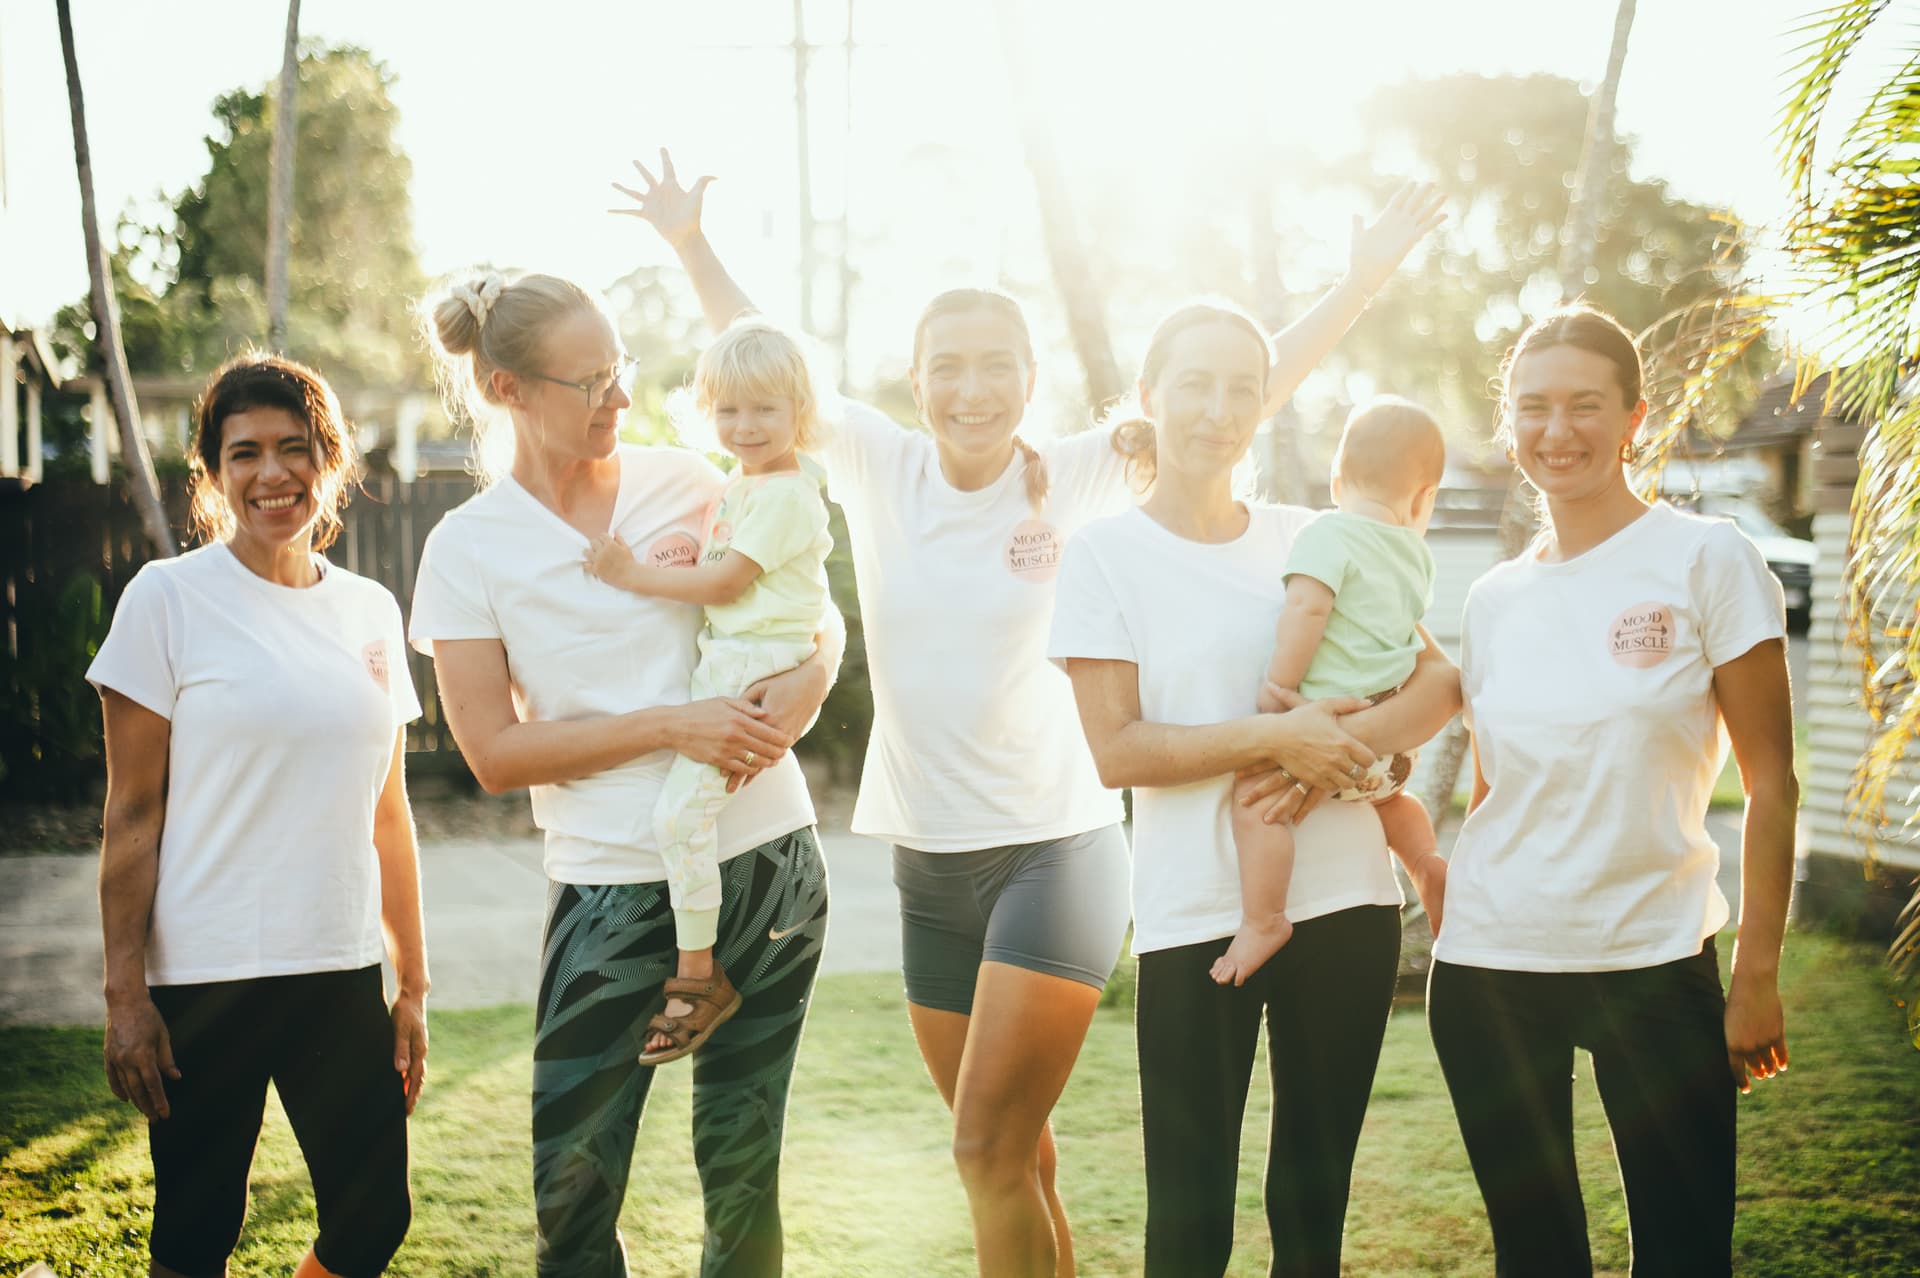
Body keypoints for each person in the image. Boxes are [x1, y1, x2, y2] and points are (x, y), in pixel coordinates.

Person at [617, 148, 1445, 1278]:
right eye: (948, 368)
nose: (973, 390)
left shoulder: (1076, 473)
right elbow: (766, 356)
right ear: (916, 383)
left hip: (1057, 852)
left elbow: (1239, 391)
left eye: (997, 367)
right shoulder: (880, 468)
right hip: (928, 860)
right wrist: (690, 244)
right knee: (1023, 1161)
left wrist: (1359, 282)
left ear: (1032, 379)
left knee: (981, 1150)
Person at [412, 271, 843, 1274]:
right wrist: (670, 726)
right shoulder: (468, 549)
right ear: (510, 389)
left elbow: (806, 606)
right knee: (572, 1193)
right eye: (593, 380)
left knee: (742, 1177)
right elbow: (492, 753)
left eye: (623, 369)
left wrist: (815, 678)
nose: (622, 396)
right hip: (609, 885)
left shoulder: (690, 480)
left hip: (767, 864)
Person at [1049, 300, 1462, 1278]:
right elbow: (1118, 751)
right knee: (1187, 1227)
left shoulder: (1318, 532)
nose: (1219, 408)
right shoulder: (1104, 555)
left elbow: (1438, 684)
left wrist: (1341, 755)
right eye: (1195, 383)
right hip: (1196, 917)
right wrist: (1280, 738)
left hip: (1347, 905)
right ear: (1150, 396)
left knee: (1312, 1218)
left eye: (1243, 387)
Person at [1426, 306, 1795, 1276]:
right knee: (1537, 1260)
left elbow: (1772, 781)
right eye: (1534, 407)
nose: (1558, 431)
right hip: (1492, 965)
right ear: (1509, 422)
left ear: (1635, 417)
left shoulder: (1708, 558)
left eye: (1585, 405)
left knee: (1686, 1256)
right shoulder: (1493, 598)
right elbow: (1498, 783)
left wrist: (1756, 974)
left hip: (1655, 955)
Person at [87, 353, 427, 1278]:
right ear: (212, 472)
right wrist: (125, 995)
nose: (272, 473)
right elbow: (132, 812)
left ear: (331, 460)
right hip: (208, 972)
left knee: (374, 1218)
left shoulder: (369, 609)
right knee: (196, 1233)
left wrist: (413, 985)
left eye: (293, 447)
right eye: (244, 453)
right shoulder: (166, 599)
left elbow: (388, 813)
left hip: (338, 967)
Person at [582, 316, 834, 1065]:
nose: (745, 425)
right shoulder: (744, 485)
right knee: (685, 814)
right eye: (729, 409)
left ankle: (698, 973)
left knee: (678, 817)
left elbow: (725, 583)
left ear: (800, 411)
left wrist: (630, 575)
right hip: (735, 658)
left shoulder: (785, 496)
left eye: (765, 409)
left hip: (752, 665)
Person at [1214, 395, 1450, 985]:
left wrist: (1280, 684)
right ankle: (1424, 862)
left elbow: (1307, 609)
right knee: (1390, 803)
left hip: (1327, 721)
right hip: (1391, 746)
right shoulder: (1417, 556)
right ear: (1423, 498)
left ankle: (1265, 919)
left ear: (1337, 480)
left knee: (1256, 803)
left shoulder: (1327, 532)